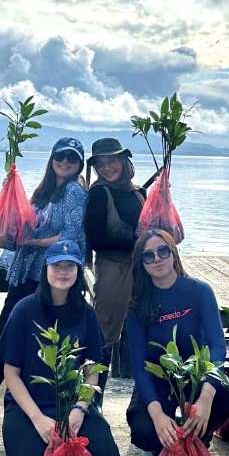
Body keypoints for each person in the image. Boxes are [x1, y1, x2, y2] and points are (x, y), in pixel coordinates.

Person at [0, 137, 88, 417]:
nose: (65, 161)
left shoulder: (73, 192)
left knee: (13, 333)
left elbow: (72, 235)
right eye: (61, 155)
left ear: (80, 164)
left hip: (46, 275)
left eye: (72, 158)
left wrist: (35, 243)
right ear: (52, 158)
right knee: (11, 332)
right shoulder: (45, 190)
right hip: (27, 273)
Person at [0, 240, 121, 456]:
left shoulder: (86, 313)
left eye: (70, 266)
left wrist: (80, 409)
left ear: (78, 271)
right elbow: (11, 374)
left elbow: (93, 369)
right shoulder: (24, 309)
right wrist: (38, 418)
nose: (63, 272)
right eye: (56, 266)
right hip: (29, 406)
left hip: (70, 404)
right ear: (46, 269)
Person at [124, 229, 229, 454]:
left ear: (173, 252)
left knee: (222, 398)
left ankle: (199, 436)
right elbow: (139, 367)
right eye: (148, 255)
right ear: (141, 264)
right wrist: (157, 416)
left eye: (162, 251)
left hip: (196, 373)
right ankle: (166, 442)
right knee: (144, 429)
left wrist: (205, 397)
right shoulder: (137, 305)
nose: (157, 258)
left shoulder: (200, 291)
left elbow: (217, 346)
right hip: (159, 377)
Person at [84, 137, 147, 352]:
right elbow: (96, 239)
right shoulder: (99, 193)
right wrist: (137, 244)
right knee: (106, 331)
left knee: (142, 328)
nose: (106, 168)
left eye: (111, 161)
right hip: (113, 268)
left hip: (142, 268)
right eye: (100, 164)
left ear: (123, 160)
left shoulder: (138, 192)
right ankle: (95, 372)